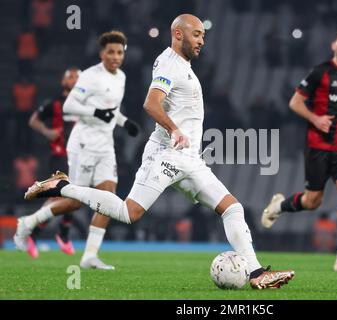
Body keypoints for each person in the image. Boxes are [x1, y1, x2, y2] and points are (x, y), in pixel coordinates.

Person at [18, 14, 294, 289]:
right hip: (166, 154)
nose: (201, 41)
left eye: (203, 36)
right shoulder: (170, 63)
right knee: (129, 213)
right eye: (196, 34)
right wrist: (174, 129)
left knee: (232, 208)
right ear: (178, 34)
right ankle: (62, 186)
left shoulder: (182, 65)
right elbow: (151, 104)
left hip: (190, 159)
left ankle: (256, 273)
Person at [14, 30, 140, 270]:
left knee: (110, 200)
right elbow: (70, 105)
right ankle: (28, 222)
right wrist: (96, 113)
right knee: (74, 202)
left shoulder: (121, 76)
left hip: (105, 144)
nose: (115, 56)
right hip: (84, 144)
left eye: (119, 52)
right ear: (102, 53)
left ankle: (89, 256)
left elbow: (109, 110)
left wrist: (124, 122)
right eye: (110, 52)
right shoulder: (91, 76)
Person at [261, 30, 337, 271]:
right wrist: (315, 119)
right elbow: (295, 102)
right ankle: (279, 206)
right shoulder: (320, 72)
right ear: (334, 45)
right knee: (313, 201)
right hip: (318, 147)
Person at [25, 67, 80, 258]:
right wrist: (48, 132)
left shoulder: (84, 104)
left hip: (79, 158)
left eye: (78, 77)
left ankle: (53, 235)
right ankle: (41, 234)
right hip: (59, 156)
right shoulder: (55, 104)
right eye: (71, 76)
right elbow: (33, 121)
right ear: (63, 81)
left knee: (75, 197)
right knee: (59, 197)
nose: (75, 79)